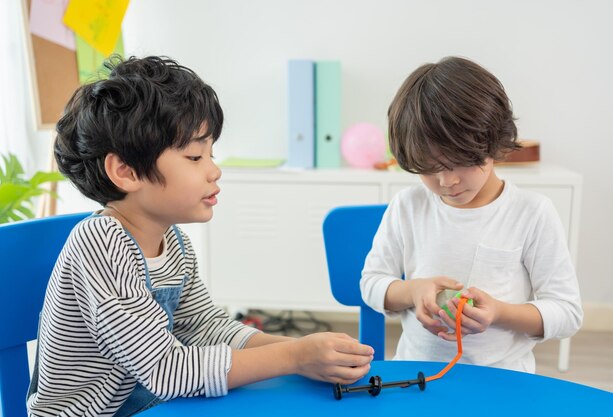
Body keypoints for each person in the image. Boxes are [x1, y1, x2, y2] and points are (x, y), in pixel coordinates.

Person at [27, 55, 373, 417]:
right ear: (126, 172)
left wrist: (306, 351)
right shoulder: (100, 242)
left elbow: (204, 328)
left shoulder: (172, 241)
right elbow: (165, 370)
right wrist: (293, 357)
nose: (214, 170)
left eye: (211, 152)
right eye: (194, 156)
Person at [360, 56, 583, 373]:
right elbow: (371, 284)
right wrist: (413, 290)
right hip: (416, 373)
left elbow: (567, 313)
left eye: (459, 163)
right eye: (428, 170)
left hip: (501, 379)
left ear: (493, 143)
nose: (446, 182)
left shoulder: (531, 213)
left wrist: (500, 313)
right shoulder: (407, 207)